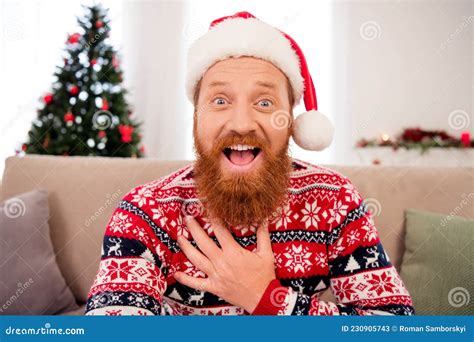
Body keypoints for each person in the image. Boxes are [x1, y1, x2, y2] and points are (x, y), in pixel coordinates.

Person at [85, 11, 414, 316]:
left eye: (265, 101)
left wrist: (267, 297)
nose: (241, 123)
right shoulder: (144, 212)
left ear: (291, 121)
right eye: (220, 100)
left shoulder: (333, 199)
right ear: (197, 117)